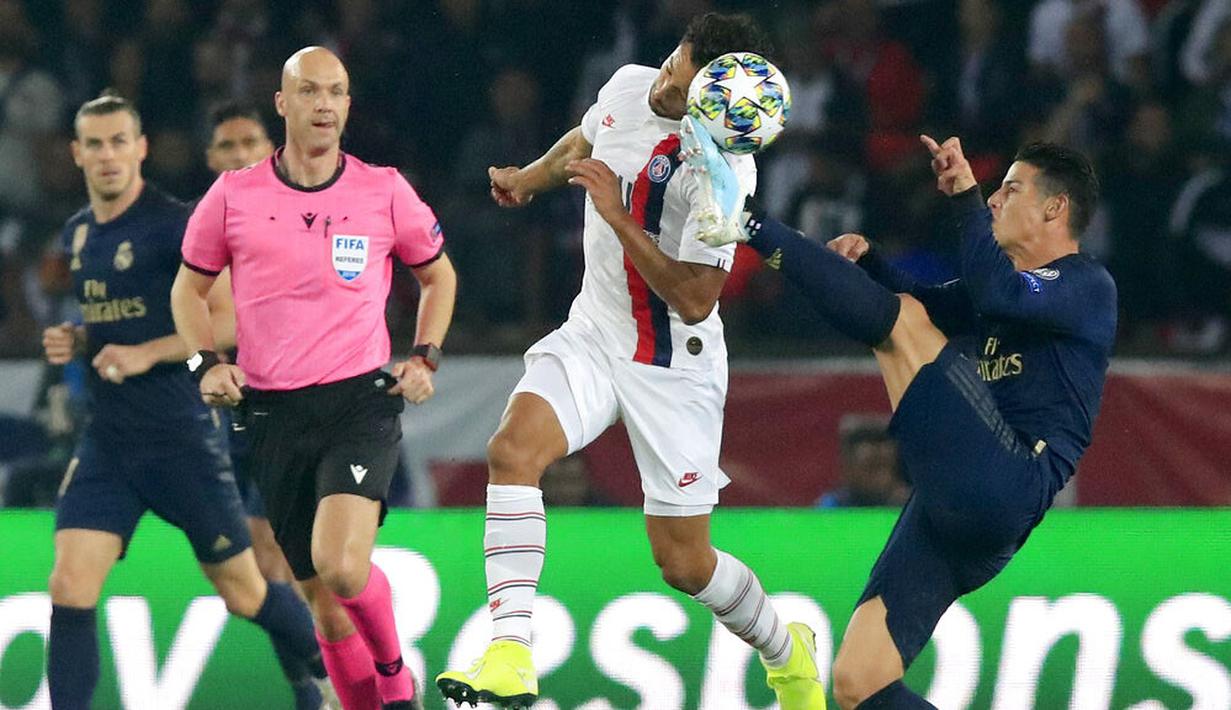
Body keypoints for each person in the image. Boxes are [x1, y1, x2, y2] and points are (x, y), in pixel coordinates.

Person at [435, 14, 825, 710]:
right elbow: (588, 140)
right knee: (512, 451)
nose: (672, 84)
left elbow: (699, 298)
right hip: (594, 329)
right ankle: (509, 653)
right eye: (677, 61)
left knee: (683, 563)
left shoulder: (724, 170)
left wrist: (618, 220)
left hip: (674, 362)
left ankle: (785, 650)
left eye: (692, 84)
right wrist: (528, 178)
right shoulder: (625, 85)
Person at [683, 121, 1116, 708]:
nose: (993, 198)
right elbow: (928, 302)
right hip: (955, 507)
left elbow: (989, 299)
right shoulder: (1013, 286)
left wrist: (963, 195)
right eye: (994, 190)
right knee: (860, 680)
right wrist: (874, 264)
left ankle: (747, 222)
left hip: (1008, 484)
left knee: (901, 327)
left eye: (1011, 190)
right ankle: (750, 225)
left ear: (1055, 208)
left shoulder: (1087, 285)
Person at [171, 47, 456, 710]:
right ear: (283, 103)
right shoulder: (235, 195)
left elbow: (436, 275)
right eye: (309, 91)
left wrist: (425, 356)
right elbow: (188, 291)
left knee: (342, 564)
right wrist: (205, 365)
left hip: (359, 404)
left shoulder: (383, 188)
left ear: (348, 105)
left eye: (336, 92)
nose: (324, 104)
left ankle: (395, 678)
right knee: (325, 612)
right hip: (272, 415)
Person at [43, 93, 332, 710]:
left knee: (245, 590)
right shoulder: (77, 233)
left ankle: (346, 673)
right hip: (109, 442)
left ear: (142, 148)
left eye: (119, 140)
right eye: (94, 144)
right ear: (77, 154)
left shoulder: (178, 223)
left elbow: (227, 323)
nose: (108, 155)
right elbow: (111, 319)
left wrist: (147, 353)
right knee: (69, 582)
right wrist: (77, 338)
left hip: (180, 438)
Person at [203, 99, 334, 709]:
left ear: (269, 147)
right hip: (230, 416)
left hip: (298, 405)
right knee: (267, 566)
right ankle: (323, 682)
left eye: (247, 142)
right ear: (211, 158)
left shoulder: (308, 214)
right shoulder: (200, 228)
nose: (237, 155)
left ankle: (337, 679)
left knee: (288, 561)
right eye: (225, 146)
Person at [817, 415, 908, 509]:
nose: (879, 478)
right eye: (871, 468)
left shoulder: (912, 507)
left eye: (883, 467)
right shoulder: (832, 507)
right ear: (848, 468)